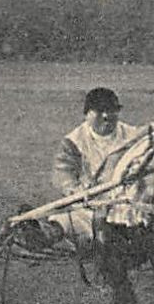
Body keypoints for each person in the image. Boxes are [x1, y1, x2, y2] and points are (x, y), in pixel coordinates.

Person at [43, 87, 140, 247]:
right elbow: (63, 174)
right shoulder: (74, 141)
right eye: (100, 111)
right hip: (89, 203)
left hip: (125, 201)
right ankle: (45, 233)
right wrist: (76, 191)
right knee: (67, 220)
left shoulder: (133, 136)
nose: (106, 116)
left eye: (111, 110)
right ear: (87, 114)